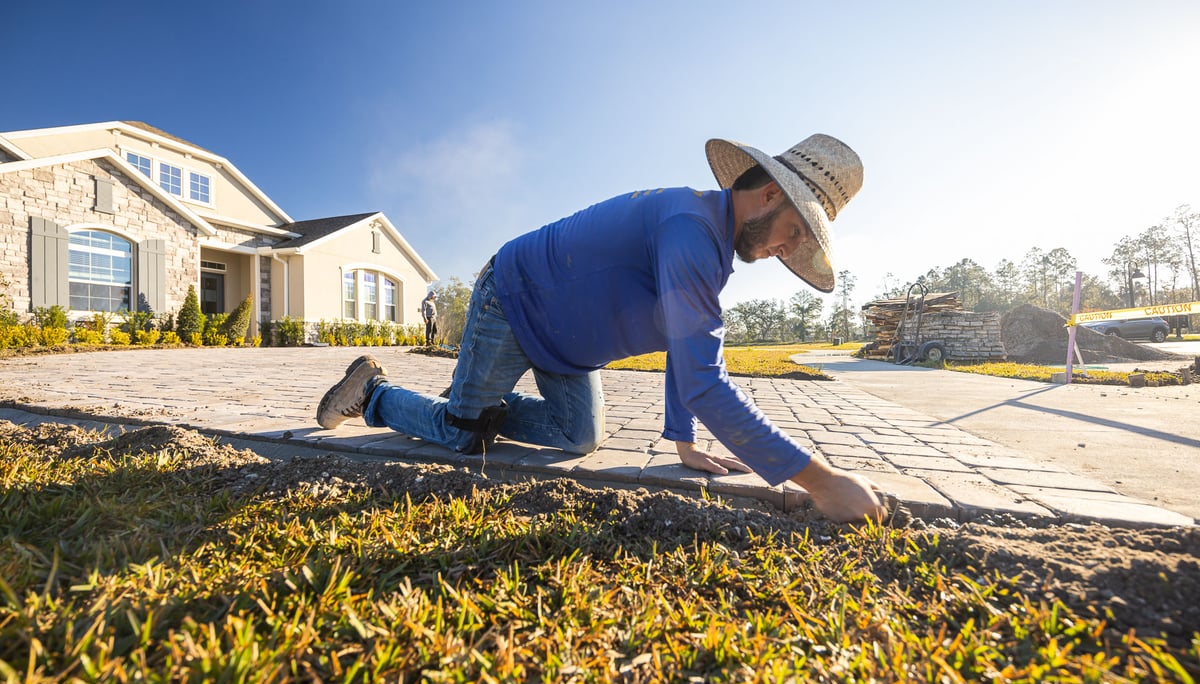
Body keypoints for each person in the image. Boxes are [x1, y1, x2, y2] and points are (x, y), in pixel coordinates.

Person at [317, 133, 886, 523]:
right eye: (794, 230)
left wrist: (682, 441)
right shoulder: (691, 229)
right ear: (768, 195)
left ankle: (476, 395)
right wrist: (823, 480)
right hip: (514, 302)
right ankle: (374, 394)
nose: (790, 248)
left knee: (578, 439)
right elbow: (706, 384)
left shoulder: (711, 251)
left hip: (566, 349)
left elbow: (682, 352)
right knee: (464, 436)